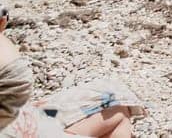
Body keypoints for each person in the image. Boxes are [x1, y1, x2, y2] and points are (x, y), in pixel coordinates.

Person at [0, 7, 146, 138]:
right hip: (23, 126)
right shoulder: (11, 72)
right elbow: (15, 84)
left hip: (22, 116)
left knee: (114, 99)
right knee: (118, 111)